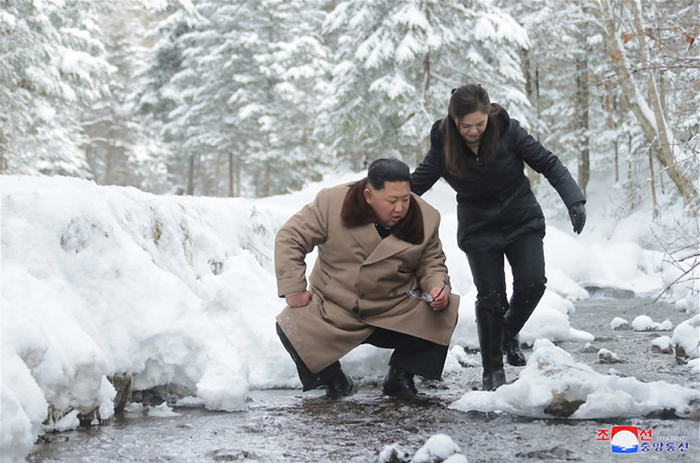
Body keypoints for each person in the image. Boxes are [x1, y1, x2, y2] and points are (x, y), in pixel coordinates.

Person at [411, 84, 586, 391]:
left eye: (480, 124)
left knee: (533, 283)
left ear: (489, 115)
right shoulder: (444, 142)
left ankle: (506, 332)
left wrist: (574, 200)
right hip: (478, 227)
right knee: (491, 297)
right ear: (453, 121)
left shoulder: (508, 130)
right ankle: (493, 371)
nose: (474, 131)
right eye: (466, 126)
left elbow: (548, 163)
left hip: (521, 219)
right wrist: (386, 206)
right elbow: (419, 181)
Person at [275, 158, 459, 400]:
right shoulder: (332, 203)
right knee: (290, 325)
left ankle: (400, 377)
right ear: (369, 196)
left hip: (394, 307)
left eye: (405, 199)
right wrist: (294, 289)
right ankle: (334, 381)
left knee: (445, 312)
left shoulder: (426, 216)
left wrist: (437, 288)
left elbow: (431, 263)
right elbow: (290, 238)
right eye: (392, 201)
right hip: (337, 305)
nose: (400, 208)